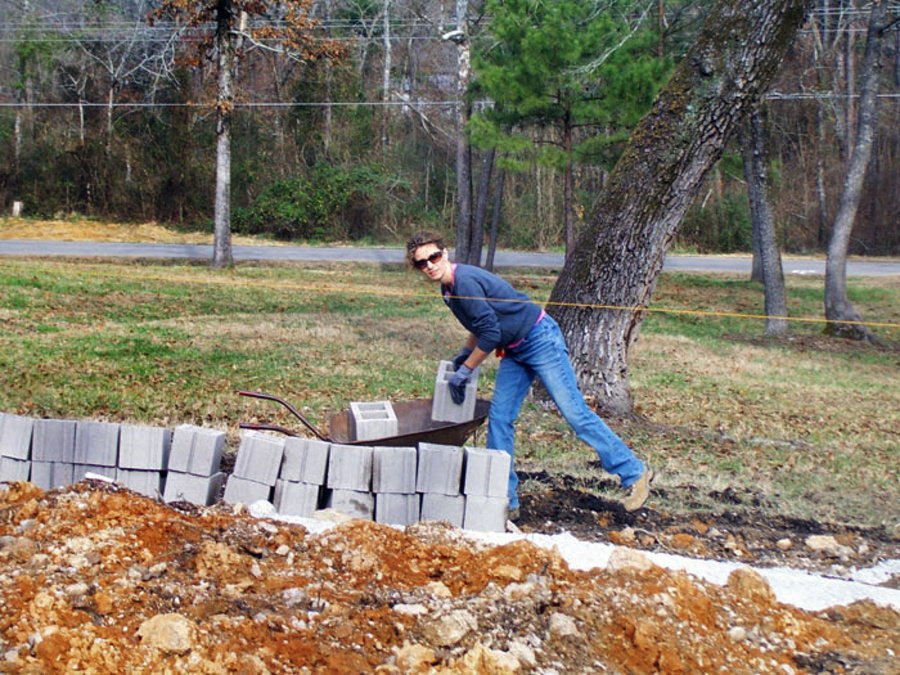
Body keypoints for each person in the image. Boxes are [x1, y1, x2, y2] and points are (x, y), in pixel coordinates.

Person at [407, 231, 653, 518]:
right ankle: (505, 499)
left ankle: (634, 472)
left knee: (575, 413)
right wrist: (464, 354)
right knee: (500, 418)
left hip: (539, 339)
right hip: (515, 350)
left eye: (434, 257)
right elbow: (480, 323)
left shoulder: (465, 282)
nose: (430, 265)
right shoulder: (448, 290)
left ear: (445, 253)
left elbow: (490, 332)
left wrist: (467, 370)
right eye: (422, 263)